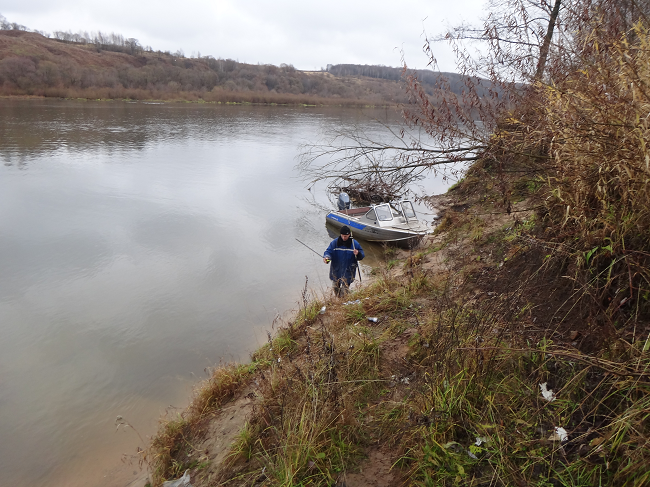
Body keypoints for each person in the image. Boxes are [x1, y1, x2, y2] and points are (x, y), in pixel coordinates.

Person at [323, 225, 365, 297]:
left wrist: (358, 253)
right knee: (335, 287)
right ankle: (339, 300)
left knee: (344, 290)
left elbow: (362, 255)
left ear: (349, 235)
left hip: (348, 271)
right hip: (336, 271)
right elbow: (328, 251)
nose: (343, 237)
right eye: (342, 235)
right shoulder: (334, 243)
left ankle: (343, 302)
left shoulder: (355, 244)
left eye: (345, 236)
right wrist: (327, 257)